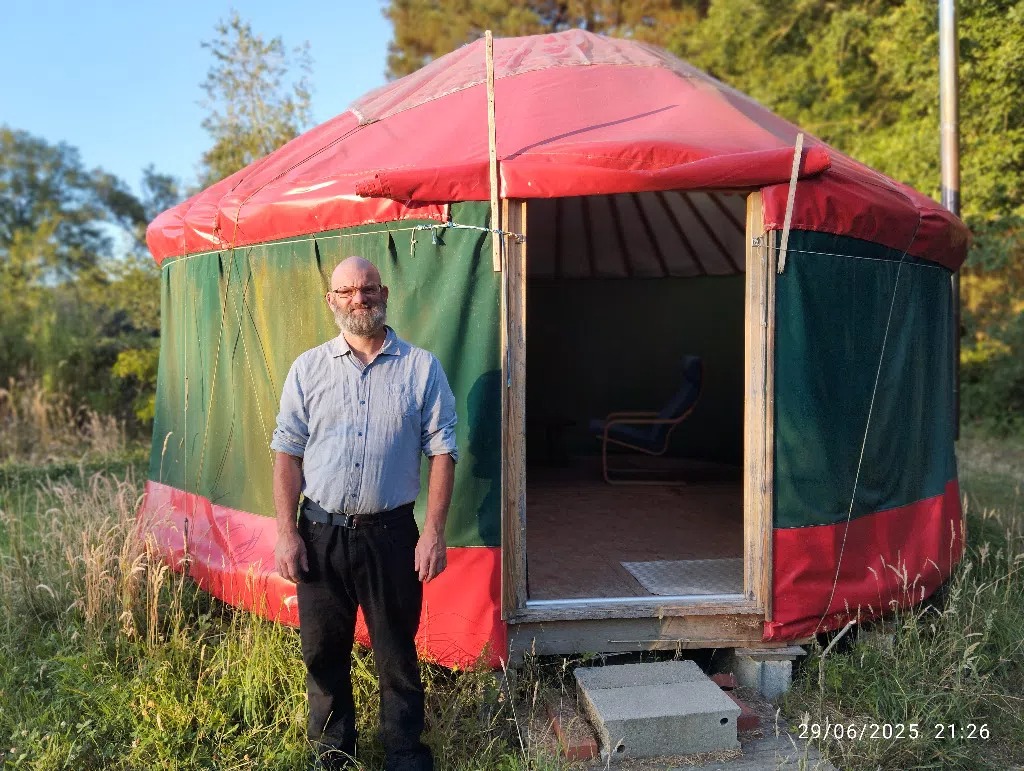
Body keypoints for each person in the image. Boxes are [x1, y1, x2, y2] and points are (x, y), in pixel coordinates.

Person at [271, 256, 457, 771]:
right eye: (347, 290)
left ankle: (404, 753)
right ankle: (333, 752)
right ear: (331, 300)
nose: (360, 298)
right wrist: (287, 532)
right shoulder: (307, 369)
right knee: (323, 653)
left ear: (385, 292)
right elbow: (286, 452)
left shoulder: (422, 368)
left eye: (368, 288)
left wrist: (434, 532)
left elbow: (443, 451)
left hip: (392, 534)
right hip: (320, 534)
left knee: (397, 655)